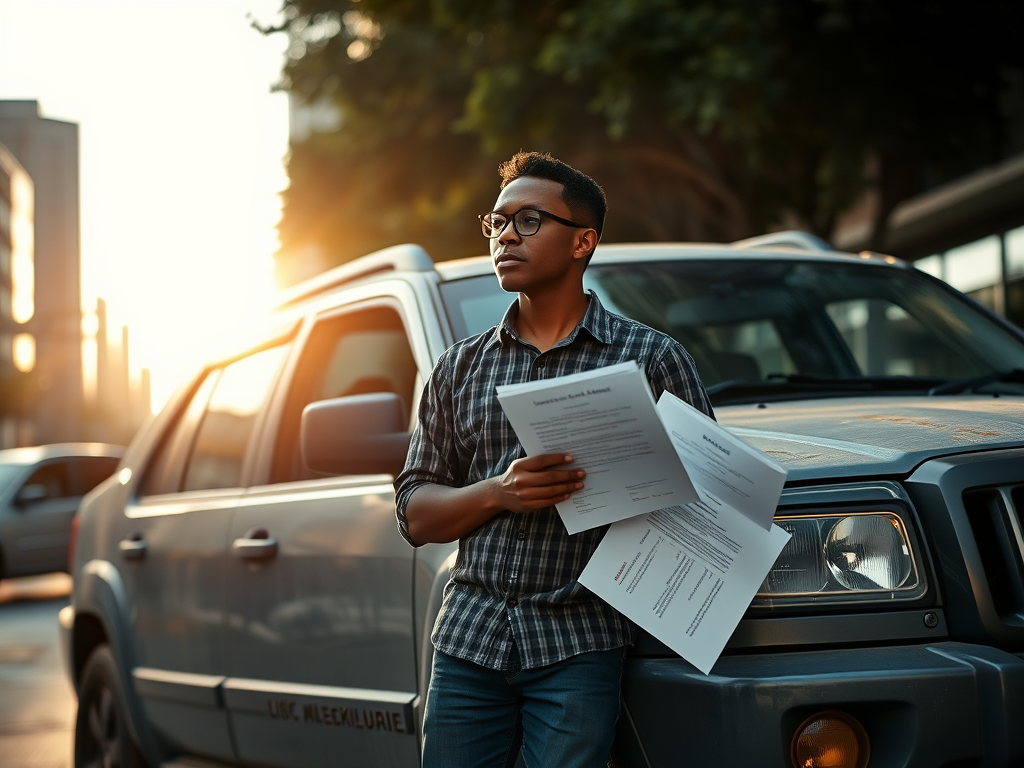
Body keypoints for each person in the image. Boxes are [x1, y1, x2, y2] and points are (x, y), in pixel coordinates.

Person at [394, 151, 714, 768]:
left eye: (530, 220)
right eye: (497, 221)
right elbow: (415, 516)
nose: (506, 234)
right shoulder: (459, 368)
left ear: (583, 242)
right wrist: (499, 492)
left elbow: (707, 514)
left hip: (579, 645)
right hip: (468, 643)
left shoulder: (651, 359)